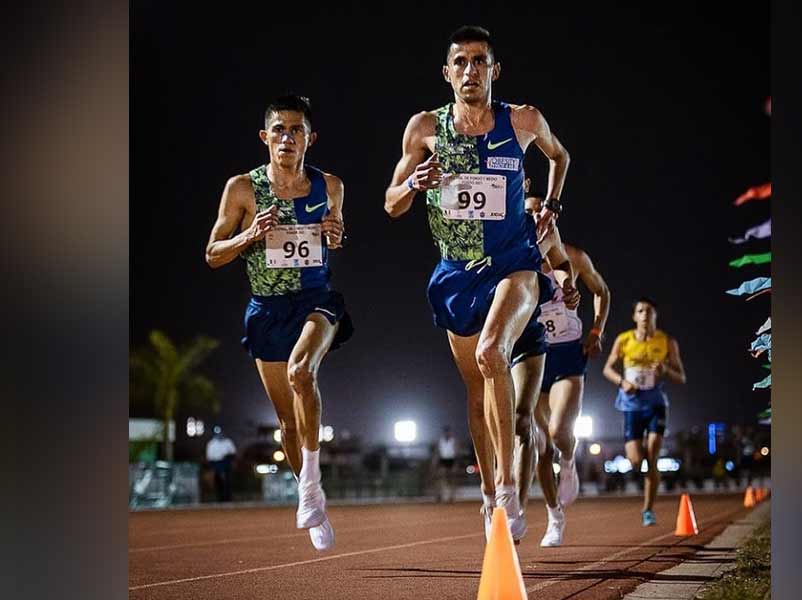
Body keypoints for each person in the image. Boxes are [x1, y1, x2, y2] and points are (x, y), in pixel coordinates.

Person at [384, 25, 570, 542]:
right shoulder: (424, 128)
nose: (471, 71)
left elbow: (561, 156)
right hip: (454, 273)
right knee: (474, 387)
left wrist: (551, 207)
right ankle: (490, 492)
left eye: (480, 61)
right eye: (461, 62)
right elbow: (391, 204)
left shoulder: (523, 120)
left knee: (493, 353)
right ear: (447, 73)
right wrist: (412, 183)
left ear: (495, 70)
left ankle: (510, 494)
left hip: (513, 262)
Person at [205, 94, 353, 551]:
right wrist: (250, 235)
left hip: (316, 300)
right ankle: (311, 492)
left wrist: (336, 233)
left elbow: (337, 233)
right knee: (286, 422)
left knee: (301, 372)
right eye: (280, 129)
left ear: (311, 137)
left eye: (296, 129)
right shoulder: (242, 189)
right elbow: (212, 253)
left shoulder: (329, 185)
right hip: (267, 309)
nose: (288, 137)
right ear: (265, 137)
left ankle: (309, 488)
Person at [521, 194, 611, 546]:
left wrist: (596, 331)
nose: (533, 217)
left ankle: (570, 459)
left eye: (537, 211)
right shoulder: (518, 261)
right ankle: (554, 517)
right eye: (525, 212)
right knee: (541, 445)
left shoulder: (572, 257)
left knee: (559, 433)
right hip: (532, 356)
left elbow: (602, 291)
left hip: (568, 356)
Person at [602, 298, 686, 526]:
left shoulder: (667, 341)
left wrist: (666, 369)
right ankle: (646, 480)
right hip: (631, 406)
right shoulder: (624, 340)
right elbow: (607, 369)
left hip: (656, 404)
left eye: (649, 311)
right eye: (640, 311)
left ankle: (648, 509)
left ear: (655, 315)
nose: (645, 314)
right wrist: (622, 382)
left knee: (652, 455)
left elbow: (681, 377)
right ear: (634, 316)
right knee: (636, 460)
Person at [205, 425, 237, 502]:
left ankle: (228, 498)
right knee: (218, 482)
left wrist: (230, 461)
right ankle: (220, 498)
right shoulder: (211, 443)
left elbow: (233, 453)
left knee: (227, 481)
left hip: (226, 462)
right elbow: (209, 456)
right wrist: (211, 466)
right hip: (215, 463)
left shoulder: (227, 442)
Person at [434, 426, 458, 502]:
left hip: (451, 460)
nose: (446, 434)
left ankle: (451, 496)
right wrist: (436, 462)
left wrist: (456, 463)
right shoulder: (440, 441)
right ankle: (440, 495)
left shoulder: (453, 441)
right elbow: (437, 452)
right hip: (443, 460)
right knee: (442, 477)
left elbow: (456, 451)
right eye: (445, 432)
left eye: (448, 432)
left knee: (451, 478)